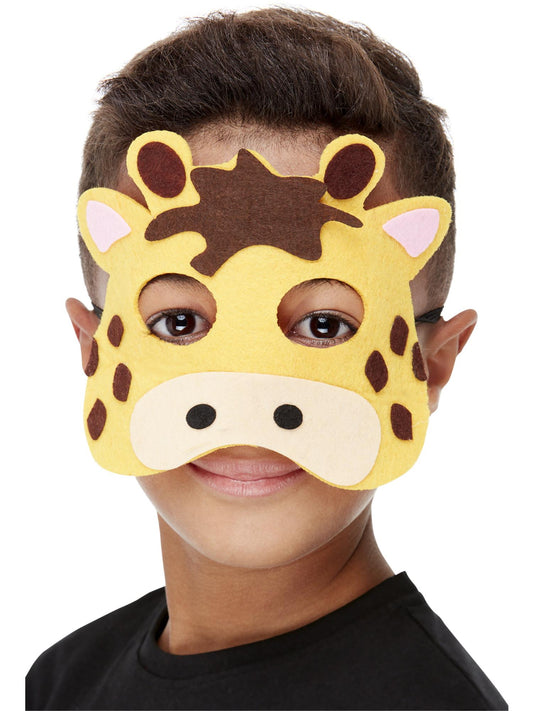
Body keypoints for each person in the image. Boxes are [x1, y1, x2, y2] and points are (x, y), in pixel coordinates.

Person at [25, 8, 507, 710]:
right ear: (94, 351)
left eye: (323, 325)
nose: (248, 412)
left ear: (432, 364)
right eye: (180, 322)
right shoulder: (64, 679)